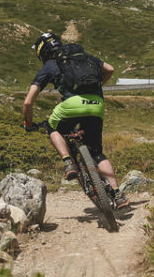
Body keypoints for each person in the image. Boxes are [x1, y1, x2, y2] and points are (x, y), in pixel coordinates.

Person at [22, 32, 129, 209]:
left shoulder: (49, 66)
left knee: (53, 128)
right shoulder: (83, 57)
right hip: (96, 104)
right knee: (97, 153)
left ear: (41, 52)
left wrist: (28, 123)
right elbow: (109, 69)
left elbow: (28, 102)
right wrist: (97, 86)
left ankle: (68, 162)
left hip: (71, 105)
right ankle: (117, 194)